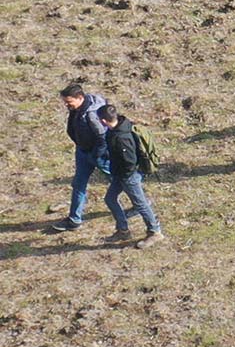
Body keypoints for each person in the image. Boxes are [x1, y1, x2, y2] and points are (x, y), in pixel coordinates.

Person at [96, 104, 159, 246]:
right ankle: (123, 230)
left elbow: (130, 161)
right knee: (110, 199)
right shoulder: (117, 129)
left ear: (104, 121)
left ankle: (155, 232)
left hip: (128, 176)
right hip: (120, 174)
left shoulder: (121, 137)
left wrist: (124, 177)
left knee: (141, 204)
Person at [50, 82, 108, 232]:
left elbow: (102, 139)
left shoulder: (92, 115)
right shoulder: (77, 109)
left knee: (121, 180)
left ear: (80, 97)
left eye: (69, 102)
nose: (66, 105)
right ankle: (74, 220)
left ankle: (140, 203)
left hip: (97, 155)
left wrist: (95, 155)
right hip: (83, 151)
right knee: (78, 184)